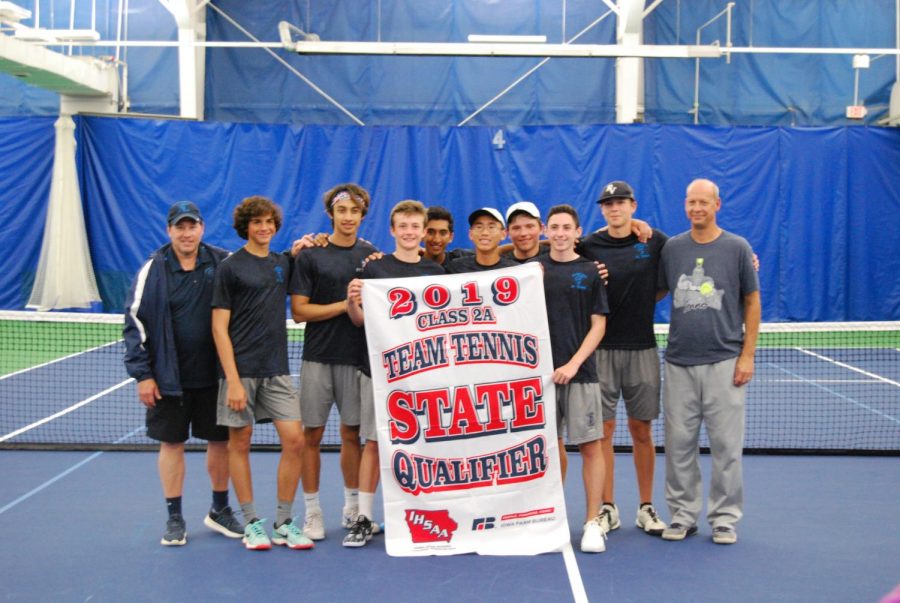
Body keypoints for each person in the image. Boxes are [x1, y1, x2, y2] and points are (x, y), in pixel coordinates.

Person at [124, 201, 243, 546]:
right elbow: (134, 324)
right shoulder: (153, 269)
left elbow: (257, 280)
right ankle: (174, 517)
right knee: (171, 443)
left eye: (192, 226)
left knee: (220, 441)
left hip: (216, 377)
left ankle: (220, 510)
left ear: (202, 228)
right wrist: (143, 375)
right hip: (167, 379)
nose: (186, 233)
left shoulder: (223, 262)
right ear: (170, 231)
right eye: (180, 227)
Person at [658, 178, 760, 545]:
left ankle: (724, 519)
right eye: (690, 202)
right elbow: (654, 288)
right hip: (678, 363)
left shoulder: (737, 248)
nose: (696, 208)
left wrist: (747, 355)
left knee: (726, 448)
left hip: (725, 361)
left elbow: (751, 300)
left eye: (703, 202)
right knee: (678, 445)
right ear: (685, 206)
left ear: (717, 204)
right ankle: (683, 516)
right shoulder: (671, 248)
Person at [212, 195, 313, 551]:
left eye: (269, 222)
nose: (264, 227)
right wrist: (234, 381)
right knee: (239, 443)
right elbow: (219, 328)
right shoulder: (230, 267)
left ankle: (284, 522)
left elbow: (299, 257)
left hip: (277, 370)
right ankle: (252, 521)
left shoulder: (281, 263)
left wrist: (303, 247)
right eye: (257, 222)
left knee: (295, 440)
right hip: (241, 374)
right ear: (246, 227)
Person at [343, 200, 445, 547]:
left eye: (415, 226)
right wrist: (352, 301)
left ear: (423, 230)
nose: (409, 232)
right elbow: (359, 322)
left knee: (424, 446)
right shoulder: (375, 270)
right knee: (373, 442)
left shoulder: (436, 273)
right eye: (402, 226)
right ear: (392, 230)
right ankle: (364, 518)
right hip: (380, 375)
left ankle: (424, 514)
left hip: (423, 375)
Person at [577, 181, 668, 536]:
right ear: (602, 209)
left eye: (620, 202)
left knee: (641, 429)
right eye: (608, 203)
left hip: (642, 348)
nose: (614, 208)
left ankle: (646, 507)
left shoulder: (654, 241)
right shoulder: (590, 245)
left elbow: (672, 275)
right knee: (604, 432)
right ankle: (608, 507)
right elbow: (547, 248)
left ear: (632, 205)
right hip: (600, 349)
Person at [289, 183, 378, 540]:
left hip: (357, 360)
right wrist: (344, 305)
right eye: (341, 211)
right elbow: (299, 311)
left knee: (351, 435)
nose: (348, 217)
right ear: (331, 214)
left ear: (362, 215)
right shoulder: (311, 256)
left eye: (354, 211)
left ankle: (352, 507)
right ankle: (311, 513)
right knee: (311, 435)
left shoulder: (372, 256)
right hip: (317, 359)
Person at [537, 204, 610, 553]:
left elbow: (599, 324)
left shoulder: (591, 272)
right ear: (545, 231)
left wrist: (574, 363)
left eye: (568, 227)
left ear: (578, 232)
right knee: (546, 450)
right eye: (555, 227)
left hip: (581, 376)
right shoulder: (532, 271)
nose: (561, 233)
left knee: (591, 447)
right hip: (539, 379)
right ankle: (547, 520)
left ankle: (593, 522)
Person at [446, 208, 518, 273]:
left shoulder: (515, 270)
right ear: (470, 234)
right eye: (479, 227)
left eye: (491, 227)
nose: (485, 232)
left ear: (503, 234)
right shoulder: (455, 268)